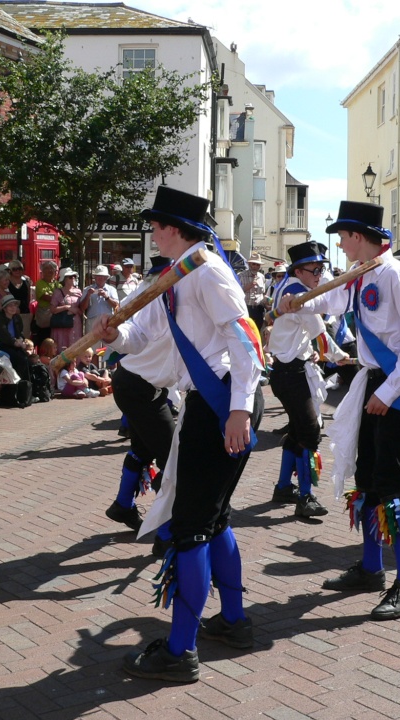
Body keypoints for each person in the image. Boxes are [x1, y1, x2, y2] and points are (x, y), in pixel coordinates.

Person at [96, 186, 264, 682]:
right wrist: (114, 336)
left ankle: (180, 652)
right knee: (212, 521)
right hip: (206, 406)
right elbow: (143, 336)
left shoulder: (208, 271)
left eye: (155, 224)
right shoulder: (175, 276)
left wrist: (239, 411)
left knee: (191, 529)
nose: (151, 232)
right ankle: (233, 623)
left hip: (221, 405)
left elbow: (246, 338)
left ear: (174, 229)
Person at [278, 200, 400, 621]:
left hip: (394, 388)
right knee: (366, 480)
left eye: (343, 237)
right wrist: (299, 303)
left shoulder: (395, 275)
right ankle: (370, 568)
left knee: (392, 486)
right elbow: (331, 303)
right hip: (372, 383)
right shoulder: (362, 274)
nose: (341, 246)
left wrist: (391, 390)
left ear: (359, 237)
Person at [267, 241, 349, 519]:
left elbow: (310, 339)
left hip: (287, 371)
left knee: (299, 431)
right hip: (292, 374)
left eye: (321, 269)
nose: (318, 274)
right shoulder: (299, 296)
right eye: (314, 269)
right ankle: (305, 496)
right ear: (298, 270)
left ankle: (281, 487)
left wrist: (319, 352)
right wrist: (341, 357)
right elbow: (321, 337)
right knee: (311, 433)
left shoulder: (290, 289)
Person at [102, 256, 179, 551]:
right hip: (138, 387)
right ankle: (167, 532)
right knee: (172, 458)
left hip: (141, 385)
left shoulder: (167, 302)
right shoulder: (159, 303)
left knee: (143, 448)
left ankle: (123, 504)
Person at [50, 268, 83, 354]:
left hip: (75, 324)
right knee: (62, 345)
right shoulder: (57, 292)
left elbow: (82, 309)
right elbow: (52, 310)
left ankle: (73, 365)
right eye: (70, 277)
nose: (73, 278)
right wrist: (67, 307)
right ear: (64, 279)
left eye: (74, 276)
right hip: (62, 324)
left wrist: (77, 310)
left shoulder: (78, 292)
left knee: (74, 345)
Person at [80, 265, 120, 337]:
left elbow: (116, 305)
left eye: (103, 276)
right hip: (92, 321)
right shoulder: (87, 289)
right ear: (95, 277)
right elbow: (82, 308)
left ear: (107, 278)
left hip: (108, 321)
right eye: (98, 276)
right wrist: (88, 295)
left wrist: (106, 297)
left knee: (108, 346)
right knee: (92, 346)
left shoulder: (111, 289)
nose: (101, 278)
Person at [32, 260, 59, 349]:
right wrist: (56, 298)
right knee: (43, 340)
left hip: (55, 316)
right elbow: (45, 297)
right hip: (44, 316)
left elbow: (63, 296)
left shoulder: (57, 284)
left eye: (52, 269)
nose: (49, 271)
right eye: (47, 269)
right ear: (42, 271)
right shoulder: (40, 283)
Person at [239, 252, 266, 332]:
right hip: (246, 308)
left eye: (258, 265)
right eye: (254, 264)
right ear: (249, 264)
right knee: (246, 332)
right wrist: (246, 287)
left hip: (259, 309)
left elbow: (262, 293)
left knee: (257, 331)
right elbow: (236, 293)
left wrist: (266, 302)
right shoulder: (241, 275)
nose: (255, 267)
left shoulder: (261, 277)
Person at [6, 260, 33, 338]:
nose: (17, 271)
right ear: (10, 270)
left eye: (20, 268)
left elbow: (29, 297)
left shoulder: (26, 281)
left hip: (24, 312)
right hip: (11, 313)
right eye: (14, 269)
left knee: (25, 336)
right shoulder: (7, 282)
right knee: (13, 336)